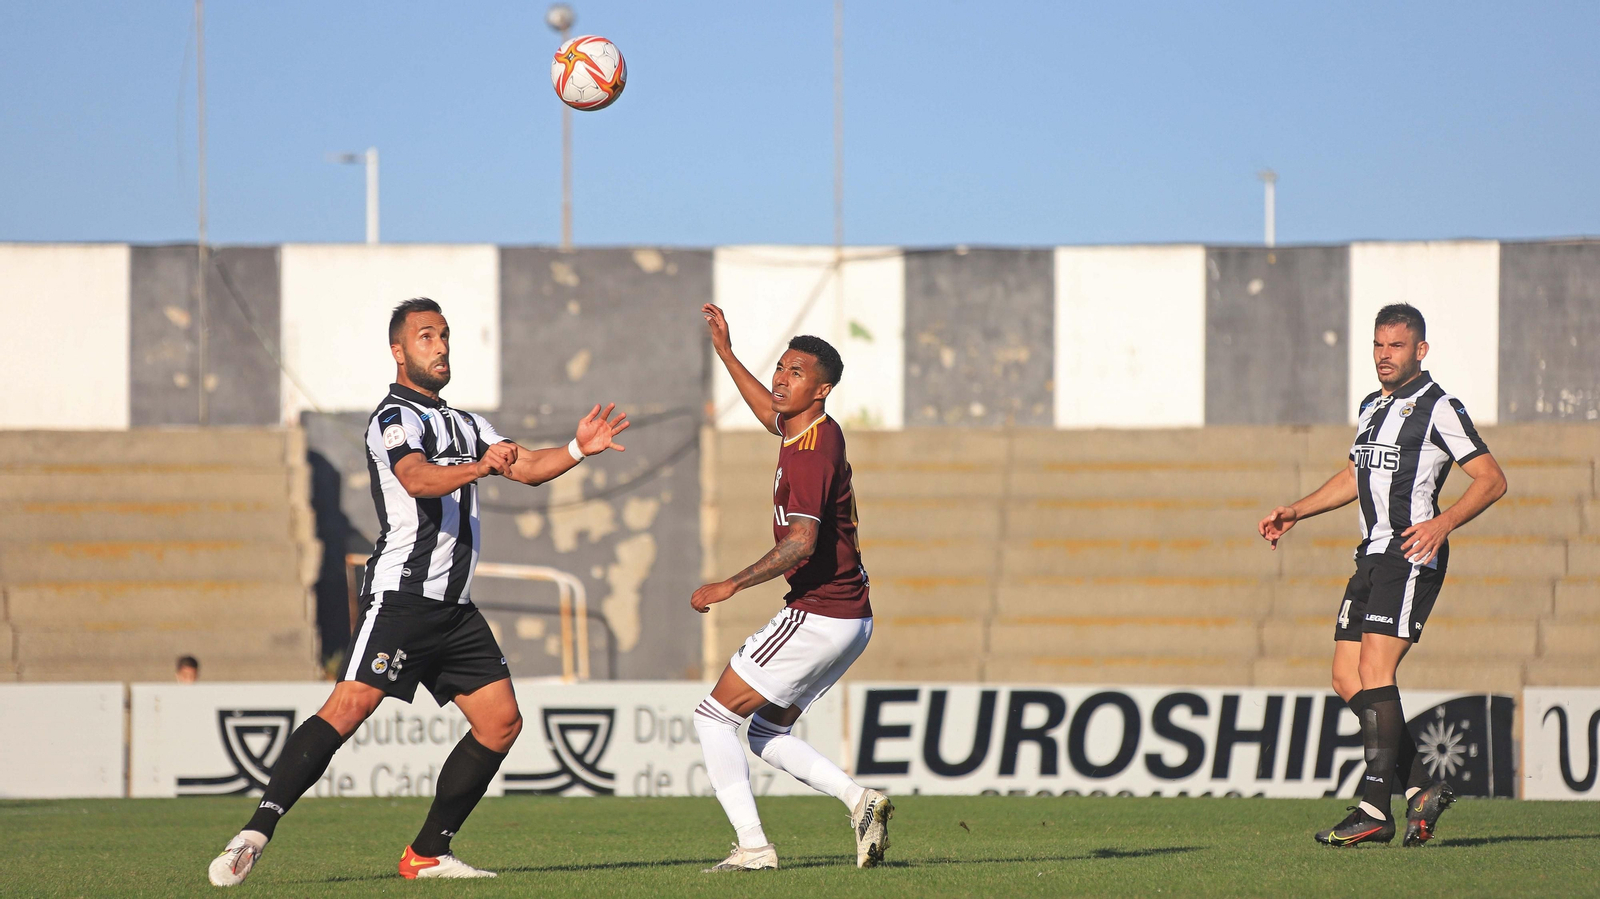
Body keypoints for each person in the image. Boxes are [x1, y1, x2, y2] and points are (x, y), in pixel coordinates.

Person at [208, 298, 629, 886]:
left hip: (453, 610)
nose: (441, 346)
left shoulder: (468, 423)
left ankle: (427, 852)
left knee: (500, 722)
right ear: (399, 351)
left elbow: (527, 464)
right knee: (350, 707)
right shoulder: (392, 419)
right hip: (401, 598)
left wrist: (578, 448)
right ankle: (254, 832)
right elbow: (417, 478)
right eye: (427, 336)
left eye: (446, 336)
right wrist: (482, 468)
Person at [1258, 303, 1507, 847]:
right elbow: (1354, 473)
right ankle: (1418, 788)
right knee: (1346, 677)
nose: (1384, 356)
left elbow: (1491, 479)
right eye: (1378, 345)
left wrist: (1442, 523)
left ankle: (1374, 807)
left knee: (1375, 669)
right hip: (1370, 554)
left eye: (1396, 346)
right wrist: (1296, 510)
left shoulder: (1440, 407)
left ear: (1420, 350)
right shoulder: (1373, 406)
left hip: (1409, 554)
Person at [689, 303, 891, 872]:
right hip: (850, 617)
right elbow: (766, 412)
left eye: (795, 373)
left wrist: (731, 583)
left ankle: (754, 848)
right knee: (764, 730)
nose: (780, 379)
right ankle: (860, 802)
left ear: (821, 389)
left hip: (821, 613)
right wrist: (727, 352)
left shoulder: (809, 457)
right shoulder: (809, 430)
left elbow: (801, 543)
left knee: (713, 717)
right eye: (780, 367)